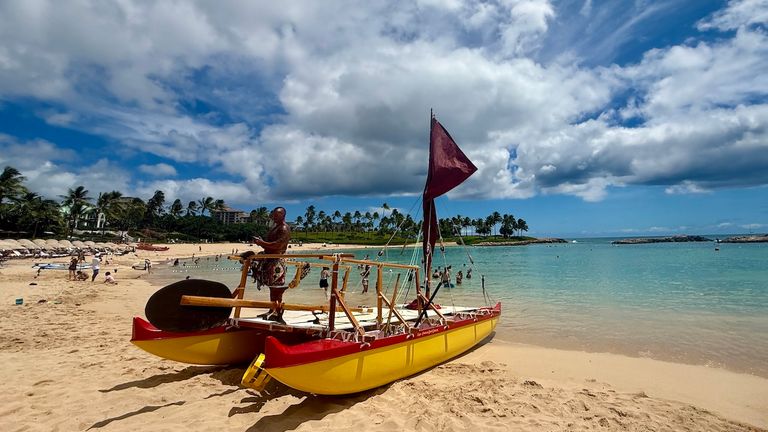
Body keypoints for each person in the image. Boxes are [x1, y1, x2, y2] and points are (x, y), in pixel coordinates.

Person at [252, 207, 291, 323]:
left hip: (277, 261)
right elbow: (271, 244)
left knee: (276, 288)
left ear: (283, 215)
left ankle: (277, 312)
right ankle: (272, 310)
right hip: (270, 259)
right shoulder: (276, 227)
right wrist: (261, 243)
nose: (274, 217)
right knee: (272, 287)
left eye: (276, 215)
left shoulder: (284, 228)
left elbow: (277, 245)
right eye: (273, 215)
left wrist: (261, 242)